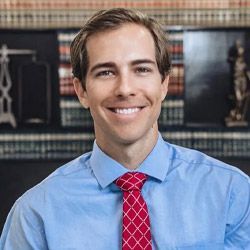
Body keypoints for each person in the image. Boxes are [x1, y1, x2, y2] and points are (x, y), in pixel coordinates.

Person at [0, 8, 249, 250]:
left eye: (141, 69)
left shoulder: (233, 194)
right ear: (81, 91)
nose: (125, 88)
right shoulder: (35, 214)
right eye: (106, 72)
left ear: (163, 83)